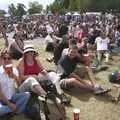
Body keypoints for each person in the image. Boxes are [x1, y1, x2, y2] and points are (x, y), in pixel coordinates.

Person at [0, 49, 30, 116]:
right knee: (1, 110)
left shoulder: (14, 70)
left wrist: (15, 77)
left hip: (12, 96)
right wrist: (9, 104)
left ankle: (12, 111)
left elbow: (20, 87)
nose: (7, 60)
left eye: (9, 58)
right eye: (4, 58)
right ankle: (14, 110)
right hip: (1, 98)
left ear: (11, 60)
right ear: (1, 59)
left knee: (27, 95)